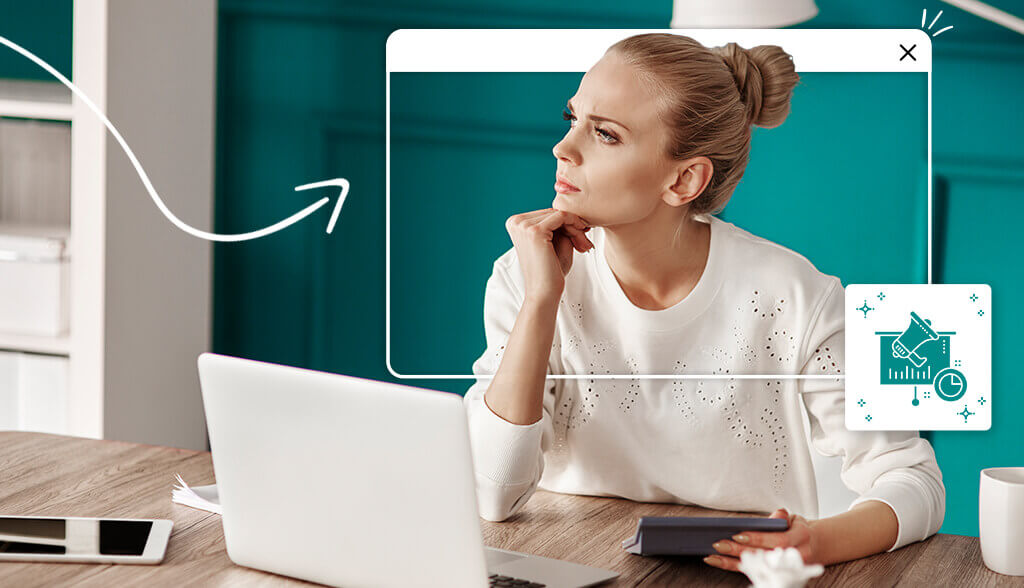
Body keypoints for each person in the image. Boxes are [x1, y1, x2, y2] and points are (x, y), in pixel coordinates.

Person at [462, 33, 944, 572]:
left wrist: (818, 543)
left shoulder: (796, 297)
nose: (563, 148)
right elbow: (491, 492)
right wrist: (539, 303)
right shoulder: (527, 277)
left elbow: (913, 479)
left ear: (684, 179)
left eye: (604, 134)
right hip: (566, 566)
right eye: (571, 118)